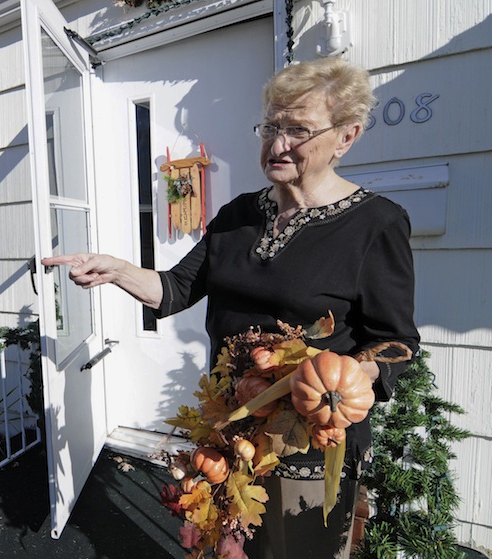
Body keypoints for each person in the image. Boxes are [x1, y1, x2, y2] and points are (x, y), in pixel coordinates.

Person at [43, 57, 419, 558]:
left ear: (345, 137)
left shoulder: (376, 224)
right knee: (228, 549)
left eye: (298, 130)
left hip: (306, 439)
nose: (278, 144)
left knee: (297, 550)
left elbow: (397, 343)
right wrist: (117, 270)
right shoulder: (237, 214)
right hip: (229, 427)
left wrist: (346, 376)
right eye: (271, 126)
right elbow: (175, 289)